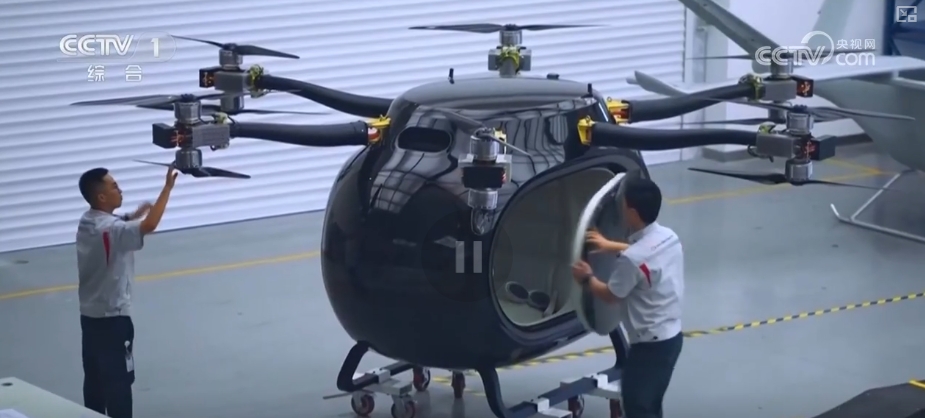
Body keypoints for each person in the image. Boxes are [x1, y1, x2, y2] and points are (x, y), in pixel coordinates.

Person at [571, 177, 684, 418]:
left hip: (648, 348)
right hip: (671, 339)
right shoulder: (669, 237)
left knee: (637, 407)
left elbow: (610, 295)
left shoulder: (632, 260)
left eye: (622, 205)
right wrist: (609, 245)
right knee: (651, 404)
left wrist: (586, 277)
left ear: (632, 213)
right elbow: (646, 256)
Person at [76, 165, 178, 418]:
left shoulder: (87, 221)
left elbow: (114, 224)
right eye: (114, 186)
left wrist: (133, 214)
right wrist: (167, 189)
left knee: (94, 381)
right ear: (101, 196)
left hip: (89, 318)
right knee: (119, 385)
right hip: (113, 320)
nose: (120, 190)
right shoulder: (113, 230)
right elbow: (150, 225)